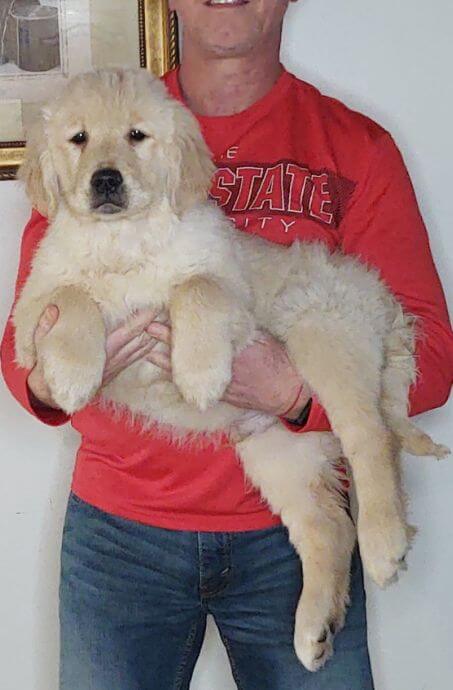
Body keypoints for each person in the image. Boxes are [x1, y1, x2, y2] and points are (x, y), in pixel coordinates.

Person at [1, 1, 452, 688]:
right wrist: (52, 371)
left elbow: (432, 359)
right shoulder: (99, 127)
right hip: (120, 537)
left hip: (280, 540)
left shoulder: (357, 148)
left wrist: (292, 394)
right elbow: (23, 349)